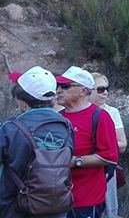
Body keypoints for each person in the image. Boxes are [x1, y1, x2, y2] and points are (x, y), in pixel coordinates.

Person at [1, 67, 74, 218]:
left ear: (22, 100)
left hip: (15, 207)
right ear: (51, 98)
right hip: (56, 207)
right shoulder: (66, 126)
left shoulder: (10, 129)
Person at [57, 66, 119, 218]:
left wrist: (76, 161)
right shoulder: (58, 117)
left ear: (83, 91)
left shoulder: (100, 117)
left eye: (65, 86)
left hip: (85, 200)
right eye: (58, 86)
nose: (59, 90)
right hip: (56, 199)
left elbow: (110, 157)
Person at [88, 73, 127, 218]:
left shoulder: (112, 112)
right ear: (87, 90)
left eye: (106, 89)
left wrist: (100, 149)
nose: (105, 92)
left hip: (105, 168)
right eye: (100, 89)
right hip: (84, 171)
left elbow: (122, 144)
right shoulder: (77, 111)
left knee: (109, 207)